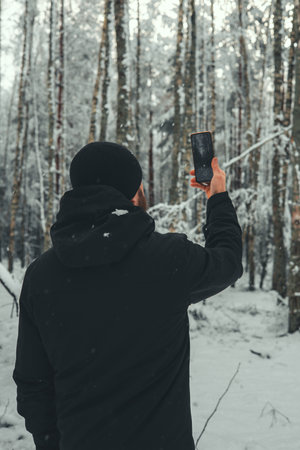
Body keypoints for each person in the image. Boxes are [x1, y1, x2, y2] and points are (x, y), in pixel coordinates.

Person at [12, 141, 243, 450]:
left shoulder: (41, 275)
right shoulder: (170, 259)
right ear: (135, 193)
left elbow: (33, 386)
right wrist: (216, 195)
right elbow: (227, 261)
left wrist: (52, 442)